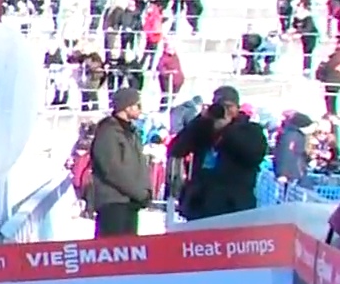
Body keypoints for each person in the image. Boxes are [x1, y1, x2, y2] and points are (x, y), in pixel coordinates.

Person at [169, 84, 268, 220]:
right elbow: (176, 149)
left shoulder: (251, 130)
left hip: (233, 206)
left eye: (229, 106)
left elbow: (254, 155)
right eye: (220, 106)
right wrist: (199, 120)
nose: (225, 111)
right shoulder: (203, 128)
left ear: (237, 108)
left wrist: (227, 129)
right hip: (200, 204)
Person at [86, 88, 152, 237]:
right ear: (127, 107)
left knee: (129, 248)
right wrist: (138, 192)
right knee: (112, 246)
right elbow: (112, 169)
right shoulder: (108, 132)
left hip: (130, 201)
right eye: (137, 105)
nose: (140, 109)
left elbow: (137, 164)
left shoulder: (131, 132)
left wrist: (145, 191)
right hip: (113, 202)